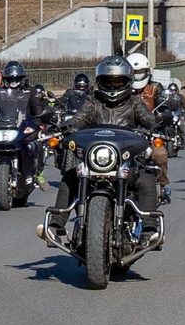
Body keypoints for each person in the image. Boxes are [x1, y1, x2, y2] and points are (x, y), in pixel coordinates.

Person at [48, 54, 167, 243]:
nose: (113, 87)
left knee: (146, 178)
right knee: (71, 176)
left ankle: (149, 228)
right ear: (99, 82)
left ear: (127, 82)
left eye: (117, 82)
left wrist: (158, 125)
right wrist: (67, 128)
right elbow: (79, 119)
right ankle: (56, 226)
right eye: (108, 82)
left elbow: (149, 120)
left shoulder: (135, 102)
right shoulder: (93, 101)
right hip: (96, 160)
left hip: (126, 159)